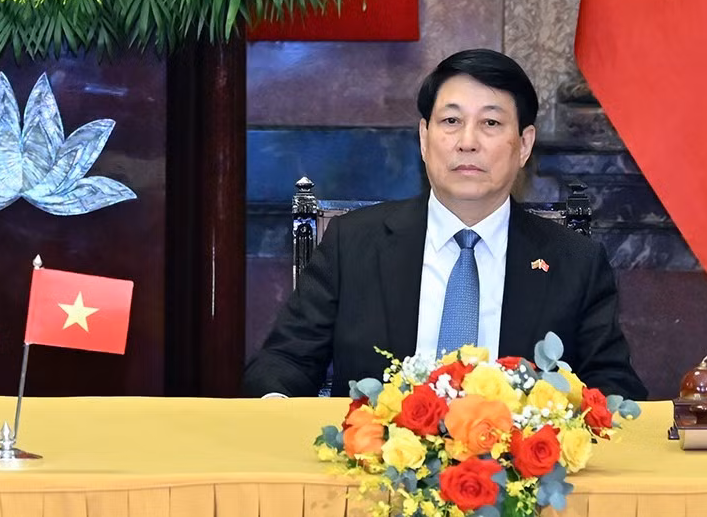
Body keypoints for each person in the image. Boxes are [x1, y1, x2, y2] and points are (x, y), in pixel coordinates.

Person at [243, 49, 646, 400]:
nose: (467, 142)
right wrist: (277, 406)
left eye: (491, 124)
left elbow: (613, 385)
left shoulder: (574, 260)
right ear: (424, 138)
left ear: (524, 145)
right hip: (378, 460)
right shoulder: (354, 242)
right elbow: (285, 360)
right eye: (451, 121)